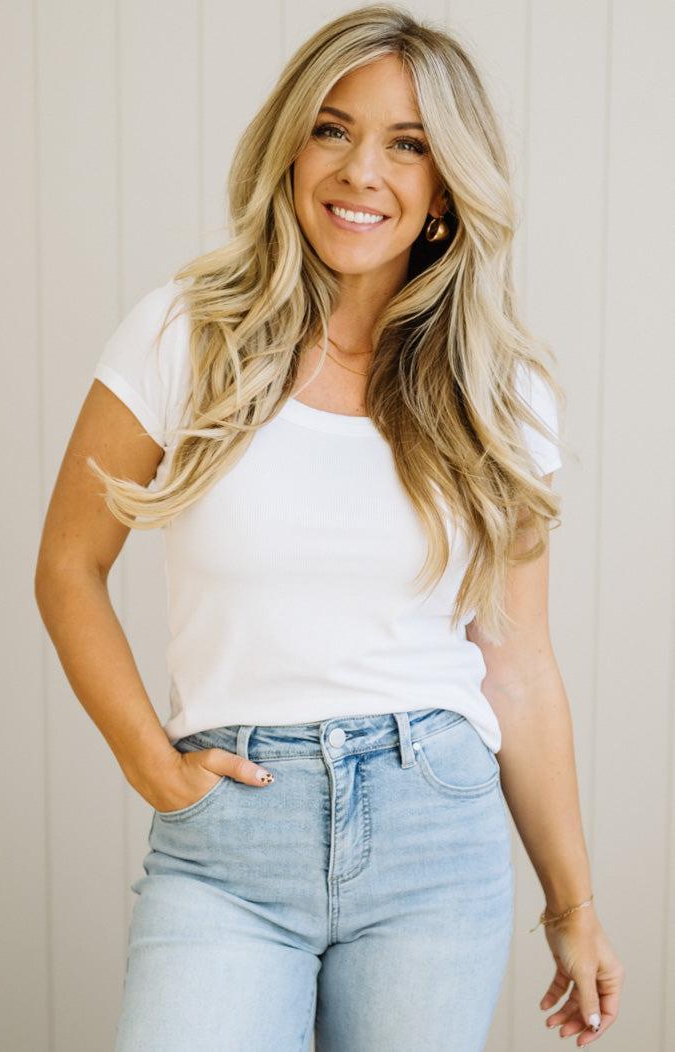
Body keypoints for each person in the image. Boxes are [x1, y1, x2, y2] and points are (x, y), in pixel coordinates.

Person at [34, 5, 624, 1050]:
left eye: (407, 144)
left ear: (444, 189)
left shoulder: (500, 389)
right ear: (289, 146)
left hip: (431, 836)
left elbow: (517, 659)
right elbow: (68, 565)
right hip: (230, 837)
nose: (361, 171)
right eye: (332, 128)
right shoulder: (186, 332)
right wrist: (152, 763)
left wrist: (570, 907)